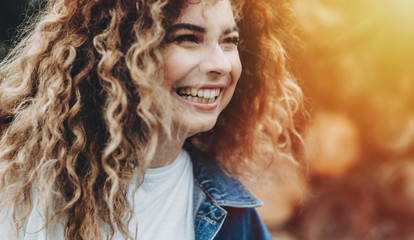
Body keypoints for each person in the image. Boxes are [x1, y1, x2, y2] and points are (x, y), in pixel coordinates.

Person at [0, 0, 303, 239]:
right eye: (188, 38)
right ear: (119, 54)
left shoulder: (232, 212)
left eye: (229, 40)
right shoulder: (24, 191)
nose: (221, 64)